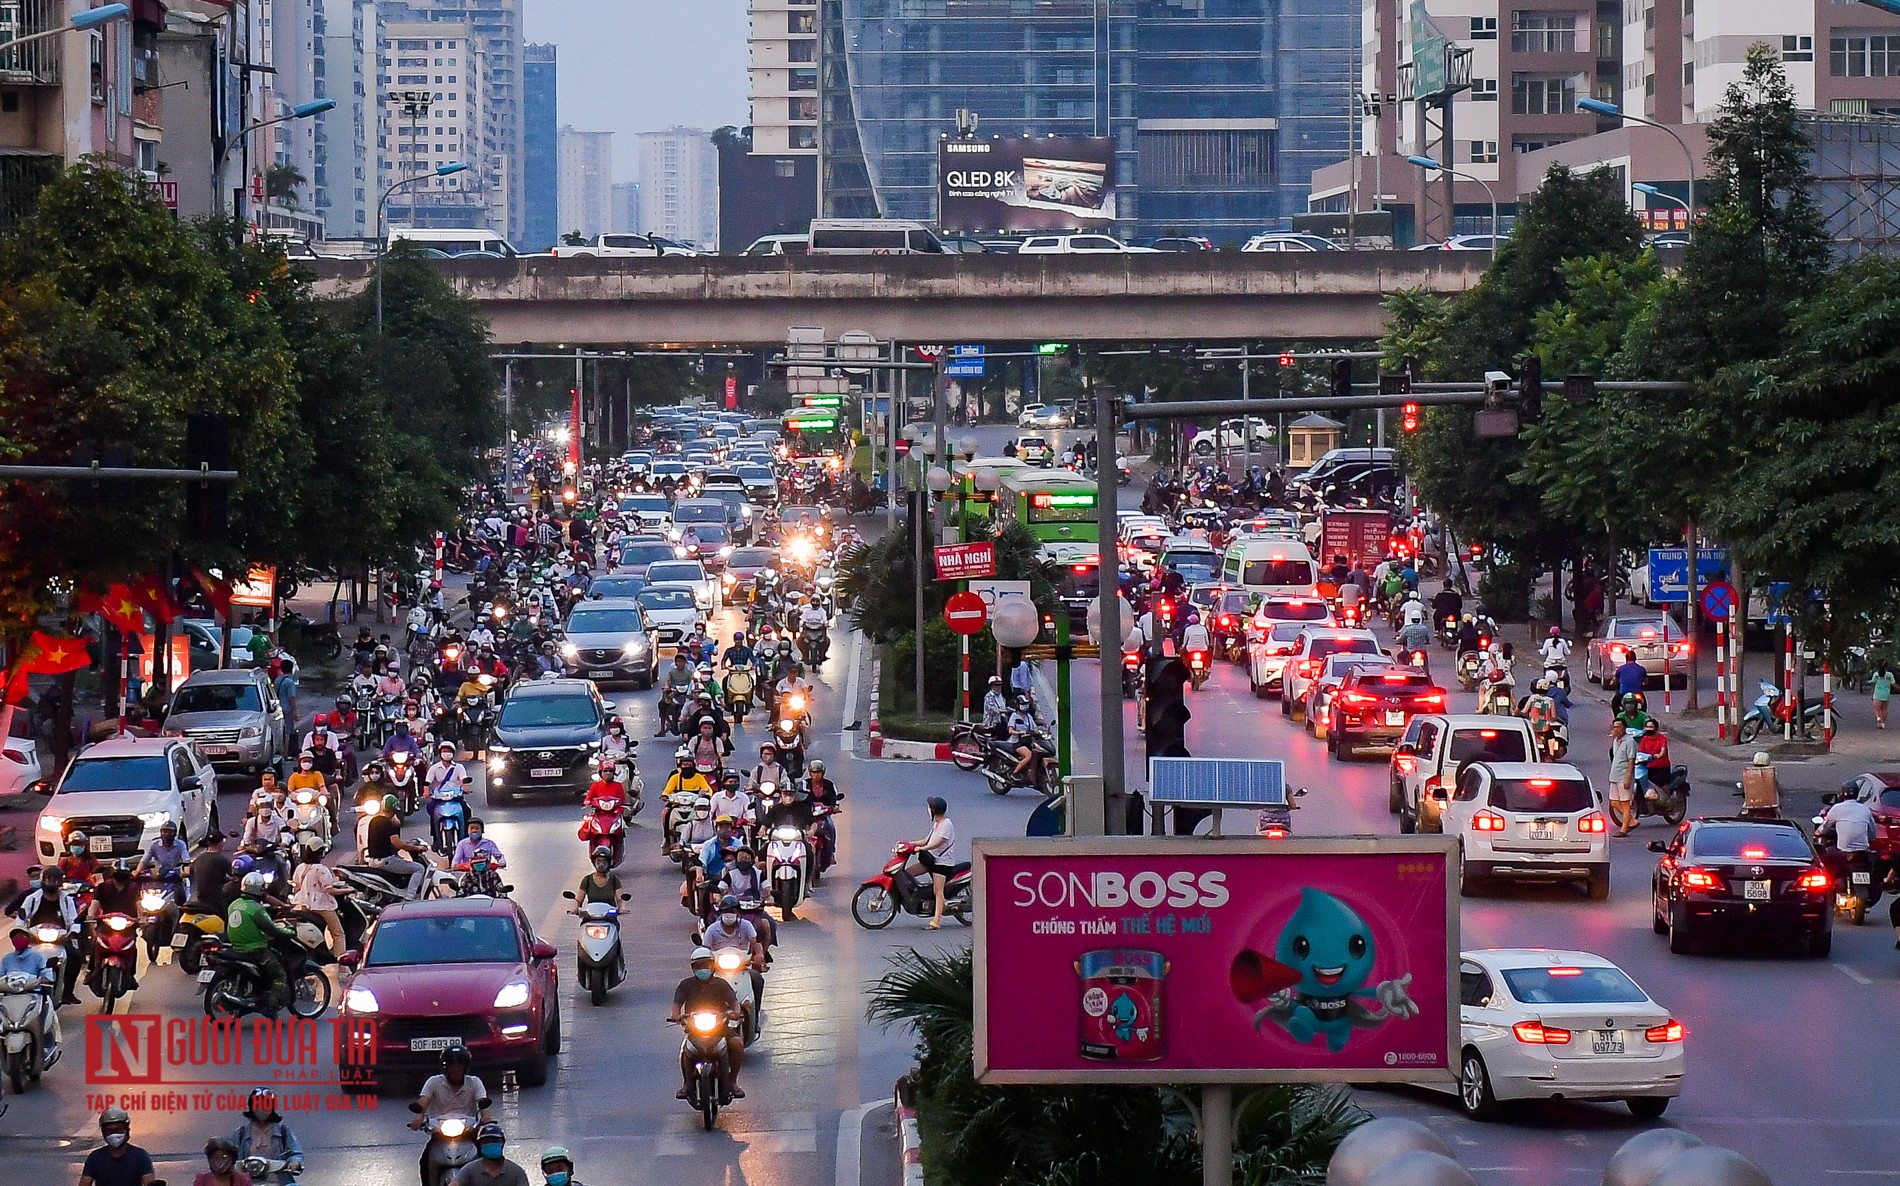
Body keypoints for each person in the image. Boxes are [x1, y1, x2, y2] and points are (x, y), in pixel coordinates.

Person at [409, 1045, 492, 1183]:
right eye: (451, 1064)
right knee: (425, 1161)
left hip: (468, 1133)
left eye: (460, 1064)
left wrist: (486, 1116)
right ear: (445, 1067)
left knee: (488, 1159)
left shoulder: (475, 1082)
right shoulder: (433, 1082)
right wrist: (418, 1118)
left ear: (466, 1067)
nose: (455, 1068)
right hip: (439, 1134)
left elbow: (482, 1101)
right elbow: (423, 1102)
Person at [670, 947, 745, 1100]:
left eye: (706, 965)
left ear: (712, 966)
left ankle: (732, 1082)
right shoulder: (686, 985)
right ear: (693, 968)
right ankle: (686, 1084)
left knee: (737, 1044)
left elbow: (734, 1002)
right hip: (695, 1029)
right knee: (686, 1051)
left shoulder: (721, 984)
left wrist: (735, 1012)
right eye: (699, 966)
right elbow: (677, 1004)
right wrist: (676, 1016)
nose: (703, 969)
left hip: (721, 1028)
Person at [227, 871, 295, 1012]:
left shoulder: (234, 904)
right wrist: (291, 932)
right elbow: (273, 930)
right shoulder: (256, 909)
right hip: (256, 950)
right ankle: (271, 1006)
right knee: (280, 974)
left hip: (236, 948)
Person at [13, 864, 81, 1003]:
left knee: (76, 956)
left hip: (60, 938)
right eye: (49, 879)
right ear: (43, 880)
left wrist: (73, 933)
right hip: (35, 938)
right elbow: (21, 919)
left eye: (56, 880)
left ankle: (68, 992)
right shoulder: (31, 899)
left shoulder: (67, 901)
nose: (52, 883)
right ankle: (17, 987)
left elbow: (74, 921)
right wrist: (21, 932)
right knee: (18, 957)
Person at [0, 922, 61, 1060]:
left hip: (33, 996)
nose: (18, 938)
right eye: (15, 936)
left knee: (43, 1020)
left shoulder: (38, 957)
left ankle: (44, 1047)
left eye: (21, 935)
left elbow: (46, 975)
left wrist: (43, 980)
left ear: (28, 938)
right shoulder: (7, 959)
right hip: (10, 998)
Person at [701, 896, 767, 1007]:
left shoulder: (746, 926)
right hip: (718, 970)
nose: (729, 914)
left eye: (732, 911)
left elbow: (755, 943)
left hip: (743, 968)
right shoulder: (712, 930)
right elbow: (705, 950)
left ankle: (755, 1017)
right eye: (726, 911)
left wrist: (759, 954)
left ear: (737, 912)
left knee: (757, 979)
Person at [364, 793, 430, 898]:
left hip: (375, 860)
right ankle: (410, 896)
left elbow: (395, 831)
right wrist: (416, 848)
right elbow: (397, 843)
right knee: (419, 868)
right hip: (386, 860)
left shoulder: (374, 820)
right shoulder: (386, 823)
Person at [910, 796, 957, 929]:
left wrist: (922, 848)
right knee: (908, 873)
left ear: (933, 810)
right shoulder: (937, 824)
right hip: (930, 860)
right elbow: (927, 840)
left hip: (942, 863)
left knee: (938, 891)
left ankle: (936, 921)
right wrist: (909, 844)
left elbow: (938, 843)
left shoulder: (947, 824)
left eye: (929, 807)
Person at [78, 1107, 155, 1186]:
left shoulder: (140, 1156)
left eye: (118, 1130)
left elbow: (149, 1182)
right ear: (103, 1133)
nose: (114, 1135)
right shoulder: (95, 1158)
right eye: (110, 1131)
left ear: (127, 1130)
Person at [288, 857, 345, 958]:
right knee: (338, 933)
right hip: (321, 905)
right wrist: (348, 890)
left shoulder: (300, 867)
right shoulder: (322, 869)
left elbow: (296, 885)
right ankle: (341, 959)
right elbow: (330, 890)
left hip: (302, 903)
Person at [1818, 790, 1877, 886]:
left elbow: (1824, 828)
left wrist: (1819, 832)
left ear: (1842, 794)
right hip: (1863, 853)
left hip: (1844, 852)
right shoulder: (1865, 809)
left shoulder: (1837, 808)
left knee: (1824, 862)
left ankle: (1830, 886)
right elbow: (1873, 834)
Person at [450, 1121, 529, 1186]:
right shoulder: (470, 1169)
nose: (491, 1144)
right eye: (486, 1142)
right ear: (480, 1145)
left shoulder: (516, 1172)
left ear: (503, 1143)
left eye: (495, 1141)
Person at [131, 818, 191, 885]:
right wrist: (137, 871)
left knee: (183, 890)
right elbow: (144, 860)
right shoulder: (154, 845)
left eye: (170, 832)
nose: (166, 834)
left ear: (175, 834)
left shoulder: (181, 844)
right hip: (159, 876)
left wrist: (186, 871)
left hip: (175, 876)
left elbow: (186, 861)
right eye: (164, 832)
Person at [191, 830, 235, 918]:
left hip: (200, 899)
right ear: (220, 843)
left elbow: (189, 871)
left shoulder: (199, 858)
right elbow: (234, 876)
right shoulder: (222, 860)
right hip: (216, 902)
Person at [1606, 719, 1638, 836]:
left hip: (1624, 776)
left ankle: (1624, 829)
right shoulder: (1615, 741)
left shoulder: (1630, 742)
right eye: (1614, 727)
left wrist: (1628, 778)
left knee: (1625, 803)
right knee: (1614, 802)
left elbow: (1631, 761)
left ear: (1624, 728)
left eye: (1618, 727)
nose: (1616, 729)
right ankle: (1632, 820)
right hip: (1615, 776)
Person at [573, 846, 623, 912]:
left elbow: (620, 900)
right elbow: (579, 900)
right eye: (598, 861)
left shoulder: (614, 880)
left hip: (609, 917)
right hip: (591, 915)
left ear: (608, 863)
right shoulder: (587, 880)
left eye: (604, 861)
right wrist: (575, 908)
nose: (601, 864)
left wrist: (622, 908)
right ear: (594, 862)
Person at [1635, 719, 1672, 800]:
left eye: (1651, 727)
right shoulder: (1645, 739)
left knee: (1661, 782)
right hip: (1648, 766)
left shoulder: (1662, 738)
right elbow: (1640, 751)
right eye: (1647, 727)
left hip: (1662, 767)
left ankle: (1667, 799)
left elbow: (1663, 752)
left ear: (1656, 728)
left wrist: (1658, 756)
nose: (1648, 729)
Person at [273, 658, 299, 736]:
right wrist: (295, 712)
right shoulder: (290, 682)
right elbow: (292, 698)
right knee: (289, 730)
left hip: (278, 708)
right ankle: (288, 745)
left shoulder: (277, 680)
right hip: (287, 709)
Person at [981, 675, 1010, 740]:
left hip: (1002, 721)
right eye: (996, 685)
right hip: (992, 723)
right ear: (991, 686)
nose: (998, 687)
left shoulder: (1001, 696)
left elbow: (1004, 706)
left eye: (999, 685)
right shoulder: (989, 696)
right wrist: (1005, 711)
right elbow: (993, 709)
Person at [1873, 662, 1895, 730]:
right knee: (1884, 709)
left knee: (1876, 708)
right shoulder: (1890, 675)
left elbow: (1873, 682)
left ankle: (1878, 717)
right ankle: (1883, 723)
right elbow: (1893, 683)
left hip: (1877, 694)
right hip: (1886, 694)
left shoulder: (1876, 674)